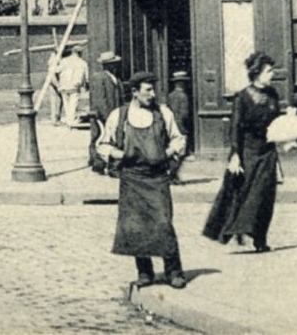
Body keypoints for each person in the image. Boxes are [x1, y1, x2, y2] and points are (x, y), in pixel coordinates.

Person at [100, 71, 189, 290]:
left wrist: (165, 153)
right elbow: (102, 144)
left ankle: (174, 272)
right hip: (132, 178)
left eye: (153, 89)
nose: (152, 94)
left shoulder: (163, 113)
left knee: (163, 222)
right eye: (147, 90)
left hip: (157, 177)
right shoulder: (119, 116)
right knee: (135, 226)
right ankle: (144, 272)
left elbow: (179, 139)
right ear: (134, 92)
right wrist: (119, 154)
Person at [203, 52, 283, 252]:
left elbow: (277, 123)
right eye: (268, 71)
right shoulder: (243, 97)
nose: (272, 74)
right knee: (246, 194)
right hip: (248, 151)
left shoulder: (273, 95)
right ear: (257, 73)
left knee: (266, 196)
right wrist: (235, 155)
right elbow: (236, 127)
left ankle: (260, 239)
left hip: (268, 152)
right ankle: (237, 229)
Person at [87, 50, 124, 175]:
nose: (116, 66)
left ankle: (101, 164)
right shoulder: (100, 78)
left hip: (115, 115)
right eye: (114, 63)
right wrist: (107, 117)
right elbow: (100, 100)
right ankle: (106, 166)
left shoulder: (116, 79)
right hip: (105, 116)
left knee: (111, 139)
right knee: (106, 139)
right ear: (108, 65)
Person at [53, 45, 89, 127]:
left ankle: (68, 119)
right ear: (80, 53)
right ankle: (71, 120)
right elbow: (87, 77)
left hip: (64, 85)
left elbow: (56, 70)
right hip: (75, 86)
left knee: (66, 104)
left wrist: (56, 62)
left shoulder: (64, 61)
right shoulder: (83, 63)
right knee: (73, 104)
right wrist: (86, 84)